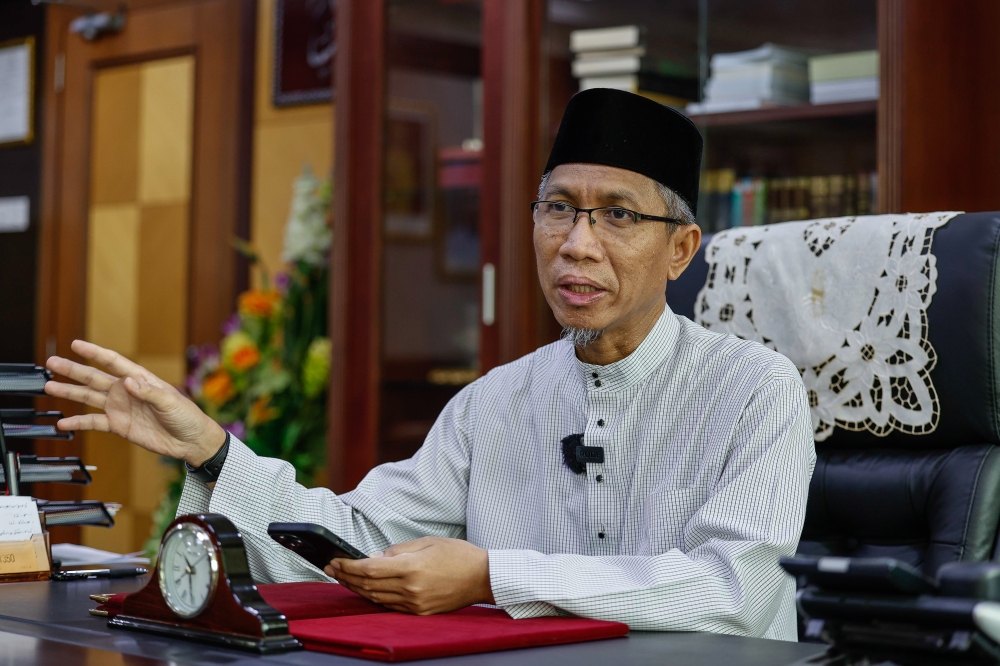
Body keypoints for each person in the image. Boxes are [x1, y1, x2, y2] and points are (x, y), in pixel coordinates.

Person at [45, 89, 815, 641]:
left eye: (617, 215)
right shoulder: (495, 403)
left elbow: (735, 591)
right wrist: (211, 449)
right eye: (558, 208)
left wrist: (491, 577)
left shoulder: (755, 391)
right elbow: (359, 543)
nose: (578, 244)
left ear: (680, 249)